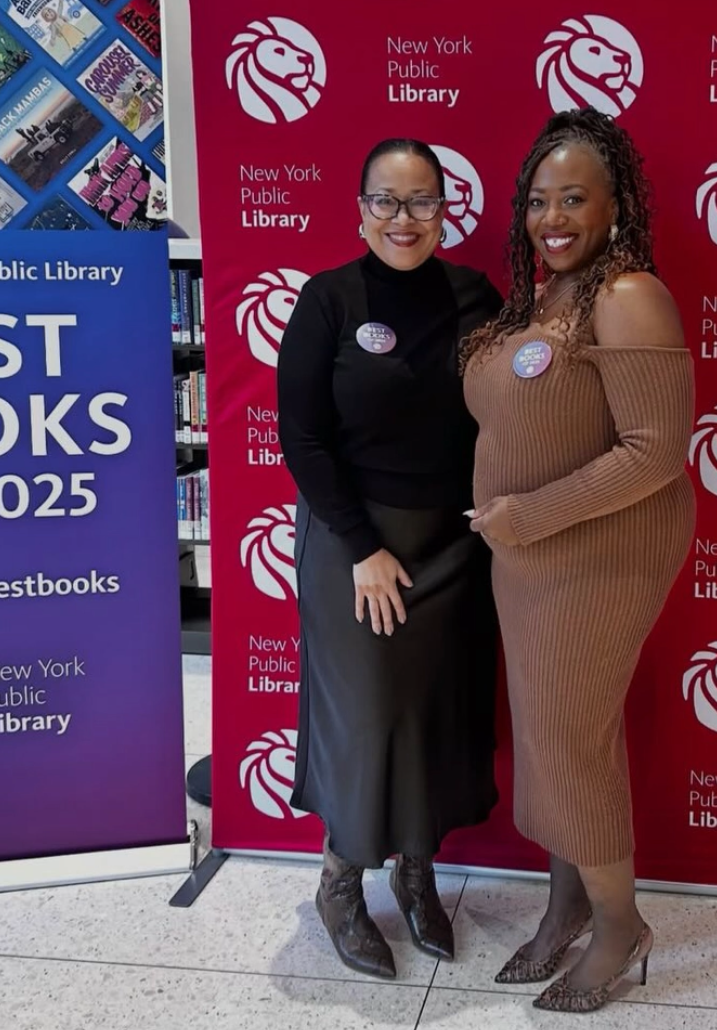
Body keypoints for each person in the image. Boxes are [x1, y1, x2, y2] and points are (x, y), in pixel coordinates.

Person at [462, 108, 696, 1014]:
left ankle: (618, 924)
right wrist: (512, 526)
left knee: (569, 737)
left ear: (615, 206)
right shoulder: (541, 298)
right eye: (537, 200)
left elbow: (654, 450)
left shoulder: (626, 293)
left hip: (597, 551)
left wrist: (527, 514)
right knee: (547, 734)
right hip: (524, 556)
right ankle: (563, 903)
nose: (550, 217)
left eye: (573, 199)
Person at [277, 138, 502, 980]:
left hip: (452, 546)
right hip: (354, 544)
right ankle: (340, 881)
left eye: (421, 203)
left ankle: (417, 872)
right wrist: (362, 547)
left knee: (435, 713)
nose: (403, 219)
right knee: (367, 716)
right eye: (387, 201)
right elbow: (300, 435)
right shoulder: (328, 299)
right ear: (360, 206)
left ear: (446, 210)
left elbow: (506, 410)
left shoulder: (476, 297)